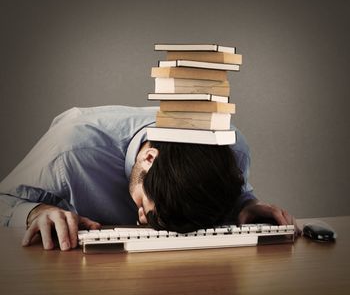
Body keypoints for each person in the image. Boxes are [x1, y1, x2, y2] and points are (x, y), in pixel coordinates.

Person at [0, 105, 298, 251]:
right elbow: (4, 200)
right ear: (148, 159)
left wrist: (243, 204)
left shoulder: (232, 149)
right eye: (146, 207)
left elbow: (225, 200)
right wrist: (35, 212)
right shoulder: (69, 149)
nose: (141, 218)